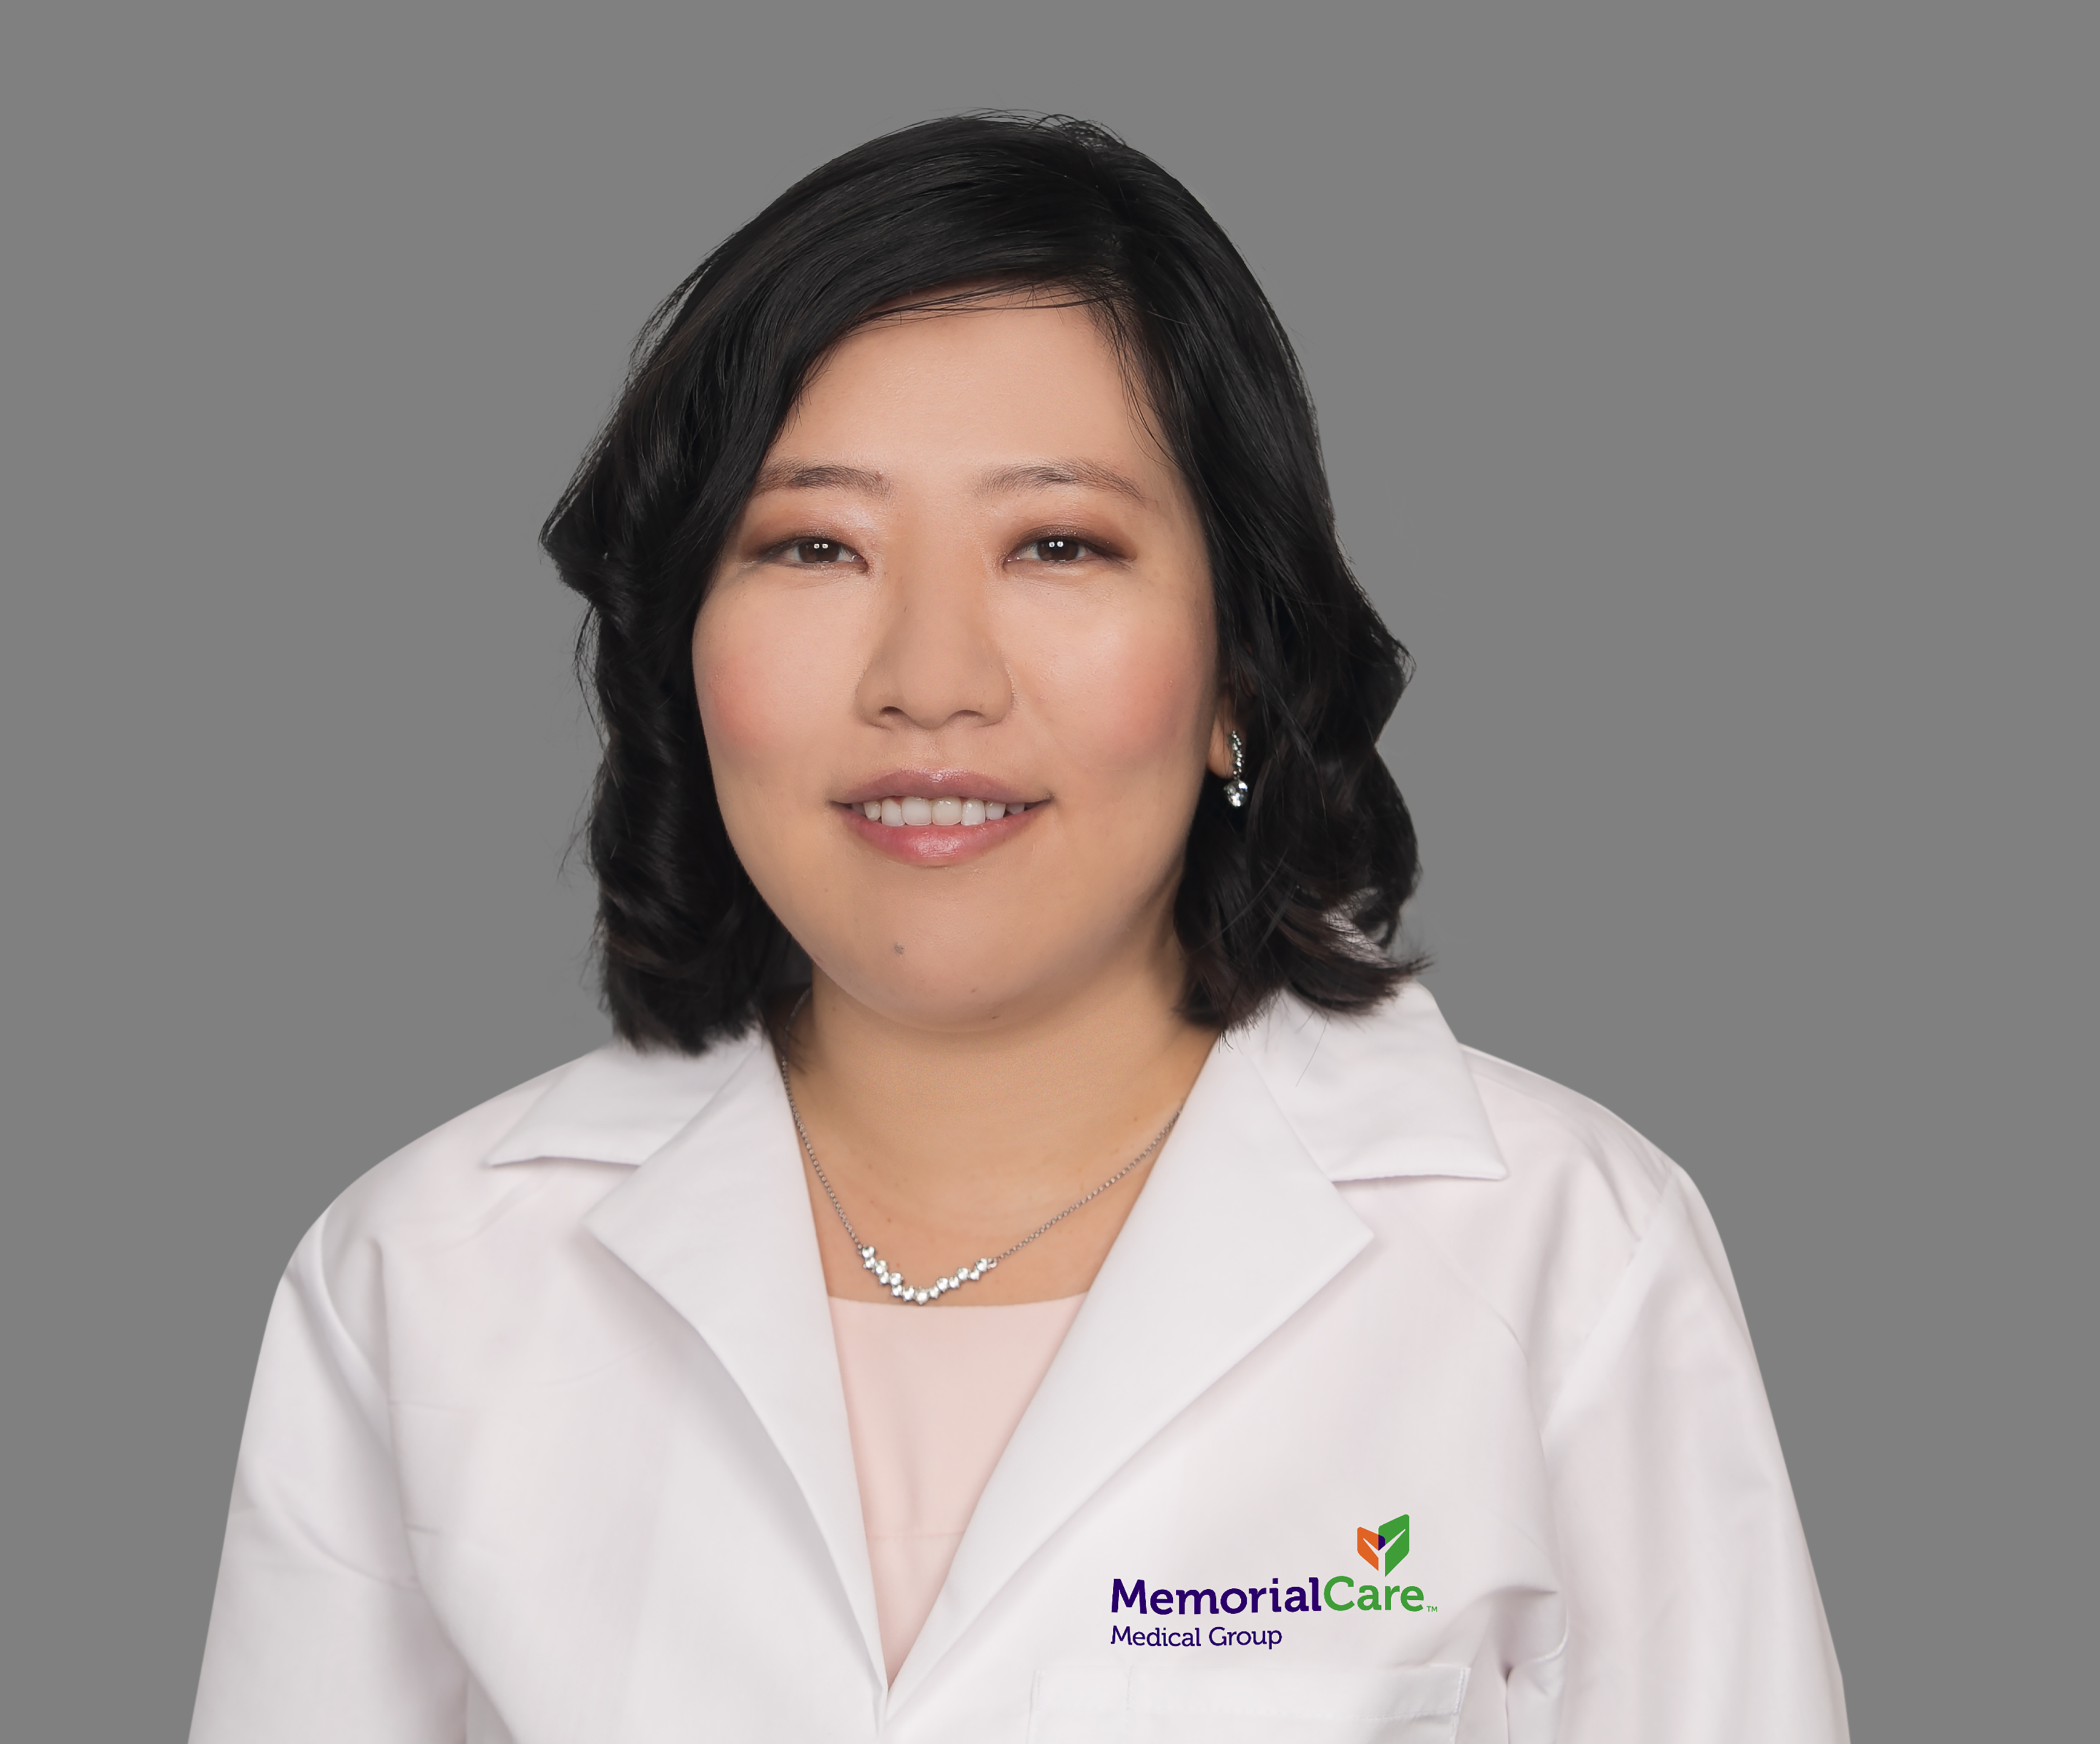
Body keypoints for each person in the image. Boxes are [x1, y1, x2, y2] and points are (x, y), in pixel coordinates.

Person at [190, 114, 1847, 1743]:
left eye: (1058, 544)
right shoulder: (424, 1278)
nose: (931, 678)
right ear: (684, 661)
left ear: (1241, 671)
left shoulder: (1561, 1259)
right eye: (815, 545)